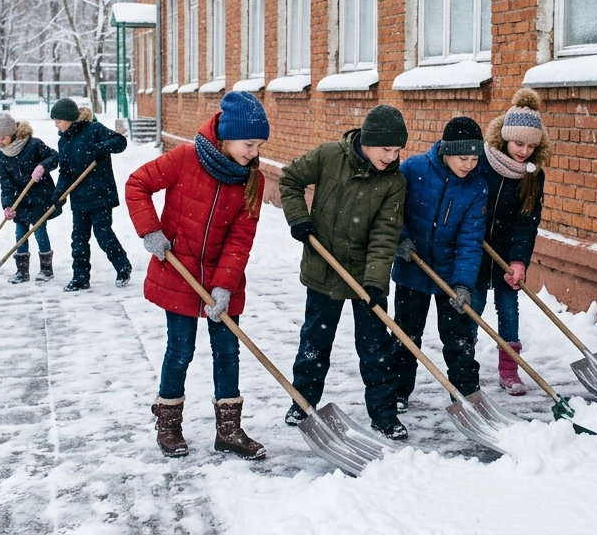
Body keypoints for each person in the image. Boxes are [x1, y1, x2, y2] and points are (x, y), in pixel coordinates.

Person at [125, 92, 271, 460]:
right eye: (249, 144)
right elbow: (136, 184)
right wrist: (150, 230)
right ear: (226, 137)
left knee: (227, 352)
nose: (254, 152)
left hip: (224, 279)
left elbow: (241, 238)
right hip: (179, 272)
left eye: (258, 145)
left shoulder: (251, 180)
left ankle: (229, 431)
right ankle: (169, 425)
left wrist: (223, 284)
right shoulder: (186, 158)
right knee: (180, 351)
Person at [280, 104, 410, 440]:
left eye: (397, 151)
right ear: (367, 142)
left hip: (366, 276)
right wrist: (299, 218)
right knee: (315, 341)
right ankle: (302, 402)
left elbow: (385, 235)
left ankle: (384, 414)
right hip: (323, 268)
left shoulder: (394, 182)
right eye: (386, 149)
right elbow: (290, 178)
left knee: (376, 348)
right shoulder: (328, 156)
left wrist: (376, 284)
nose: (391, 157)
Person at [390, 116, 488, 413]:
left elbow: (470, 240)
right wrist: (400, 238)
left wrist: (462, 284)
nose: (468, 165)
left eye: (474, 158)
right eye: (462, 157)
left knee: (459, 339)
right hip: (412, 268)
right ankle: (397, 390)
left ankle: (466, 392)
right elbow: (392, 210)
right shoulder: (413, 169)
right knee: (406, 336)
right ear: (446, 151)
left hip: (449, 275)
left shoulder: (476, 188)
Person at [472, 88, 548, 395]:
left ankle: (509, 370)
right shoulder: (481, 162)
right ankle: (463, 364)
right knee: (472, 308)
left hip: (505, 253)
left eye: (531, 145)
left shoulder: (533, 174)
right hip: (474, 248)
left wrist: (518, 261)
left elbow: (527, 221)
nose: (524, 151)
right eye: (518, 143)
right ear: (504, 137)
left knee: (508, 308)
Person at [50, 98, 132, 292]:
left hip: (100, 195)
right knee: (78, 239)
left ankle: (122, 267)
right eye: (54, 120)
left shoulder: (94, 130)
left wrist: (100, 148)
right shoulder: (64, 141)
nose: (56, 124)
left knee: (103, 235)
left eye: (59, 120)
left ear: (70, 119)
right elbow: (65, 172)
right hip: (79, 199)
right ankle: (80, 278)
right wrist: (58, 194)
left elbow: (120, 142)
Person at [0, 112, 60, 283]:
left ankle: (46, 270)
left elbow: (55, 157)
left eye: (3, 138)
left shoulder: (33, 144)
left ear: (13, 134)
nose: (0, 142)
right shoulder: (2, 155)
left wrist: (42, 167)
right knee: (20, 232)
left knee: (39, 231)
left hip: (40, 196)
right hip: (19, 199)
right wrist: (7, 205)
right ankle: (22, 271)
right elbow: (5, 182)